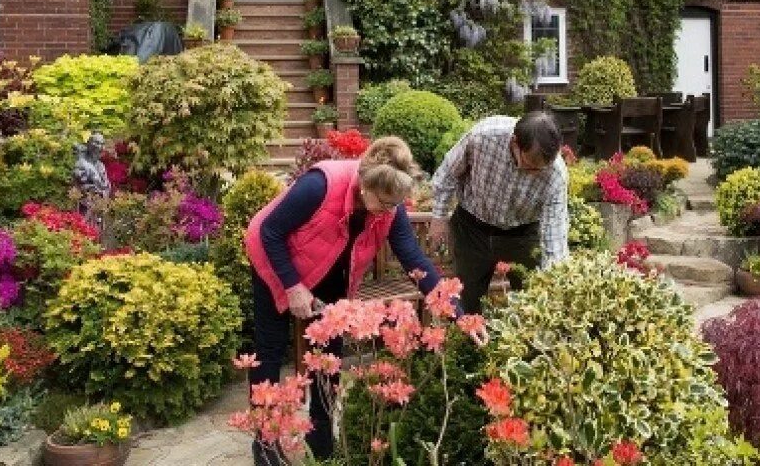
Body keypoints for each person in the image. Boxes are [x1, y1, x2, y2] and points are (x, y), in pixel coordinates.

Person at [244, 136, 453, 461]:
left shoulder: (389, 207)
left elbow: (413, 258)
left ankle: (322, 446)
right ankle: (266, 445)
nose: (388, 211)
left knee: (329, 358)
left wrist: (451, 306)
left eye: (394, 205)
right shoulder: (320, 186)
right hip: (275, 262)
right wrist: (293, 286)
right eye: (383, 203)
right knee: (269, 351)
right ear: (364, 185)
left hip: (329, 273)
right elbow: (270, 231)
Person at [429, 111, 569, 314]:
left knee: (532, 303)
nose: (535, 175)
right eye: (530, 167)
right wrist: (439, 217)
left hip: (522, 236)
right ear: (515, 143)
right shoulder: (483, 136)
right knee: (466, 305)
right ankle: (468, 344)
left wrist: (555, 280)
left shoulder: (556, 174)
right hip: (471, 230)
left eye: (542, 170)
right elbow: (448, 173)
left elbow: (554, 232)